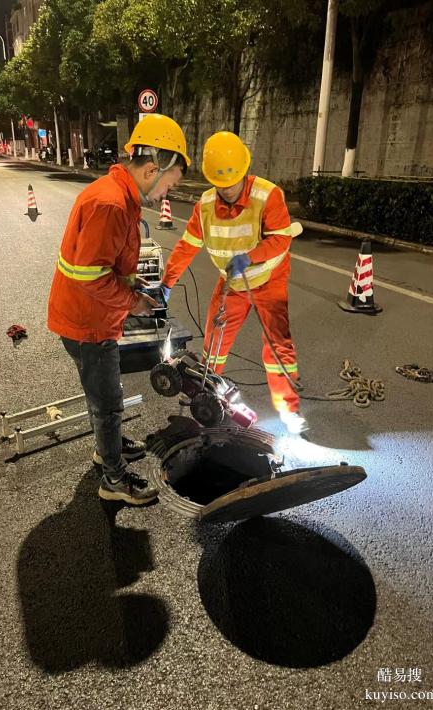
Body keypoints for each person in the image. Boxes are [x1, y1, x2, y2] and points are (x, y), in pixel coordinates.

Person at [48, 113, 191, 504]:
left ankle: (105, 448)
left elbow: (104, 265)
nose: (167, 194)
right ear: (151, 169)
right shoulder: (111, 204)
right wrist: (134, 302)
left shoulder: (119, 197)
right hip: (86, 323)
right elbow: (91, 277)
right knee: (108, 402)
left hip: (93, 316)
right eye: (170, 183)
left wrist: (134, 283)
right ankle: (113, 480)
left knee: (104, 396)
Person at [160, 131, 306, 434]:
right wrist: (166, 283)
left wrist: (250, 257)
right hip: (232, 283)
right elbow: (187, 245)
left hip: (269, 279)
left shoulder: (268, 195)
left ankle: (288, 411)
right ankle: (209, 397)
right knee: (215, 344)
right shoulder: (205, 206)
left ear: (245, 171)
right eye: (220, 184)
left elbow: (281, 240)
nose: (227, 190)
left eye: (232, 182)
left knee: (278, 348)